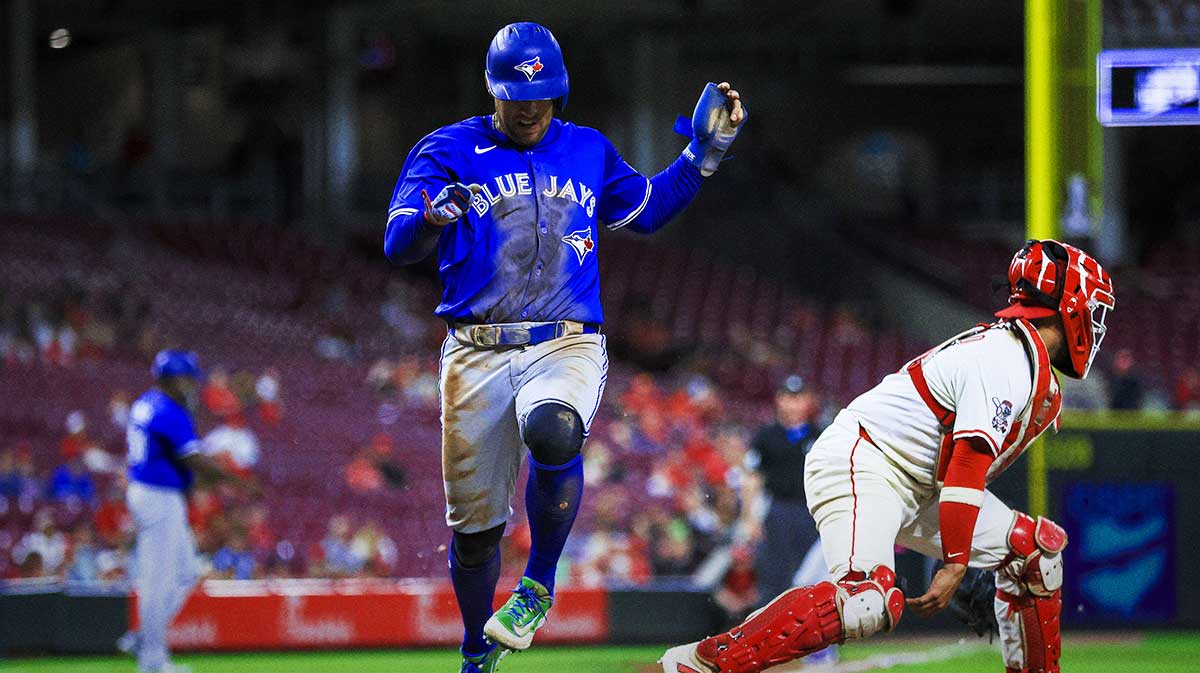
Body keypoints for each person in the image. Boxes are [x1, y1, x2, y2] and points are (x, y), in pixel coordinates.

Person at [383, 21, 746, 673]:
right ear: (493, 91)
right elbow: (396, 241)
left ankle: (537, 584)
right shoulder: (445, 148)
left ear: (559, 92)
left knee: (554, 431)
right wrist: (431, 218)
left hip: (565, 341)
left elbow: (647, 211)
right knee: (474, 537)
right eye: (517, 96)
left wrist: (701, 160)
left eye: (543, 96)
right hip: (475, 350)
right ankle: (474, 653)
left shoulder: (588, 149)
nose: (530, 108)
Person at [659, 240, 1115, 673]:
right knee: (866, 602)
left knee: (1035, 553)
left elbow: (958, 468)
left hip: (917, 483)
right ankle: (701, 663)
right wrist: (957, 559)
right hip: (867, 460)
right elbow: (967, 464)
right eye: (1092, 310)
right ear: (1069, 305)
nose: (1095, 324)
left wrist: (965, 547)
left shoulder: (1023, 362)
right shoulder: (1005, 357)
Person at [118, 350, 247, 673]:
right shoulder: (167, 410)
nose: (191, 386)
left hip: (155, 493)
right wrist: (237, 481)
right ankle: (152, 661)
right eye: (187, 379)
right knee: (159, 580)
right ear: (173, 378)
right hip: (157, 495)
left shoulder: (147, 402)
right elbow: (195, 460)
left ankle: (144, 637)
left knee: (187, 572)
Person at [741, 375, 837, 668]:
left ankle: (819, 645)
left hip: (812, 513)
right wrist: (749, 517)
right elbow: (753, 478)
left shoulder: (822, 435)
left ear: (808, 401)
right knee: (774, 581)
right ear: (778, 400)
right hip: (779, 512)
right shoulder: (766, 436)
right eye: (788, 396)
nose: (793, 403)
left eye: (799, 397)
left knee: (817, 583)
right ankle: (763, 648)